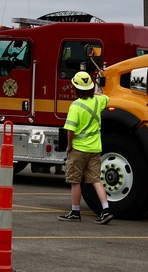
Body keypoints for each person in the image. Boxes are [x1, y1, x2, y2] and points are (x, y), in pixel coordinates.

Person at [58, 70, 113, 224]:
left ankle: (75, 212)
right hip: (95, 149)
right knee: (96, 180)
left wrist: (69, 146)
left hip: (79, 149)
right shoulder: (97, 101)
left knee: (75, 181)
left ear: (76, 88)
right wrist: (95, 93)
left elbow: (70, 129)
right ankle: (106, 210)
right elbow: (106, 97)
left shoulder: (75, 106)